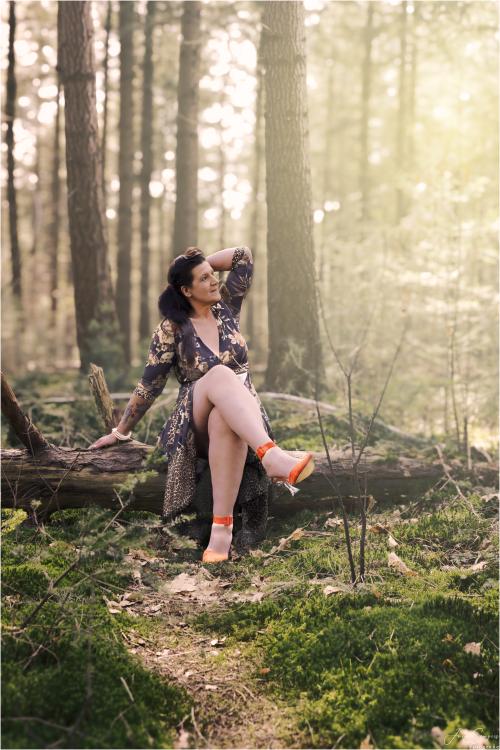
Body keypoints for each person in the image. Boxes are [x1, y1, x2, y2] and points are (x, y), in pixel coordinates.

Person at [89, 246, 315, 562]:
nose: (213, 281)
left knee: (225, 418)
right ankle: (271, 455)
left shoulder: (227, 309)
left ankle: (221, 534)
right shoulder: (172, 328)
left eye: (212, 275)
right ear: (186, 290)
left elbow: (242, 256)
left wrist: (199, 262)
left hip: (242, 417)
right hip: (193, 420)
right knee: (221, 374)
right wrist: (121, 430)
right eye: (204, 278)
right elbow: (149, 385)